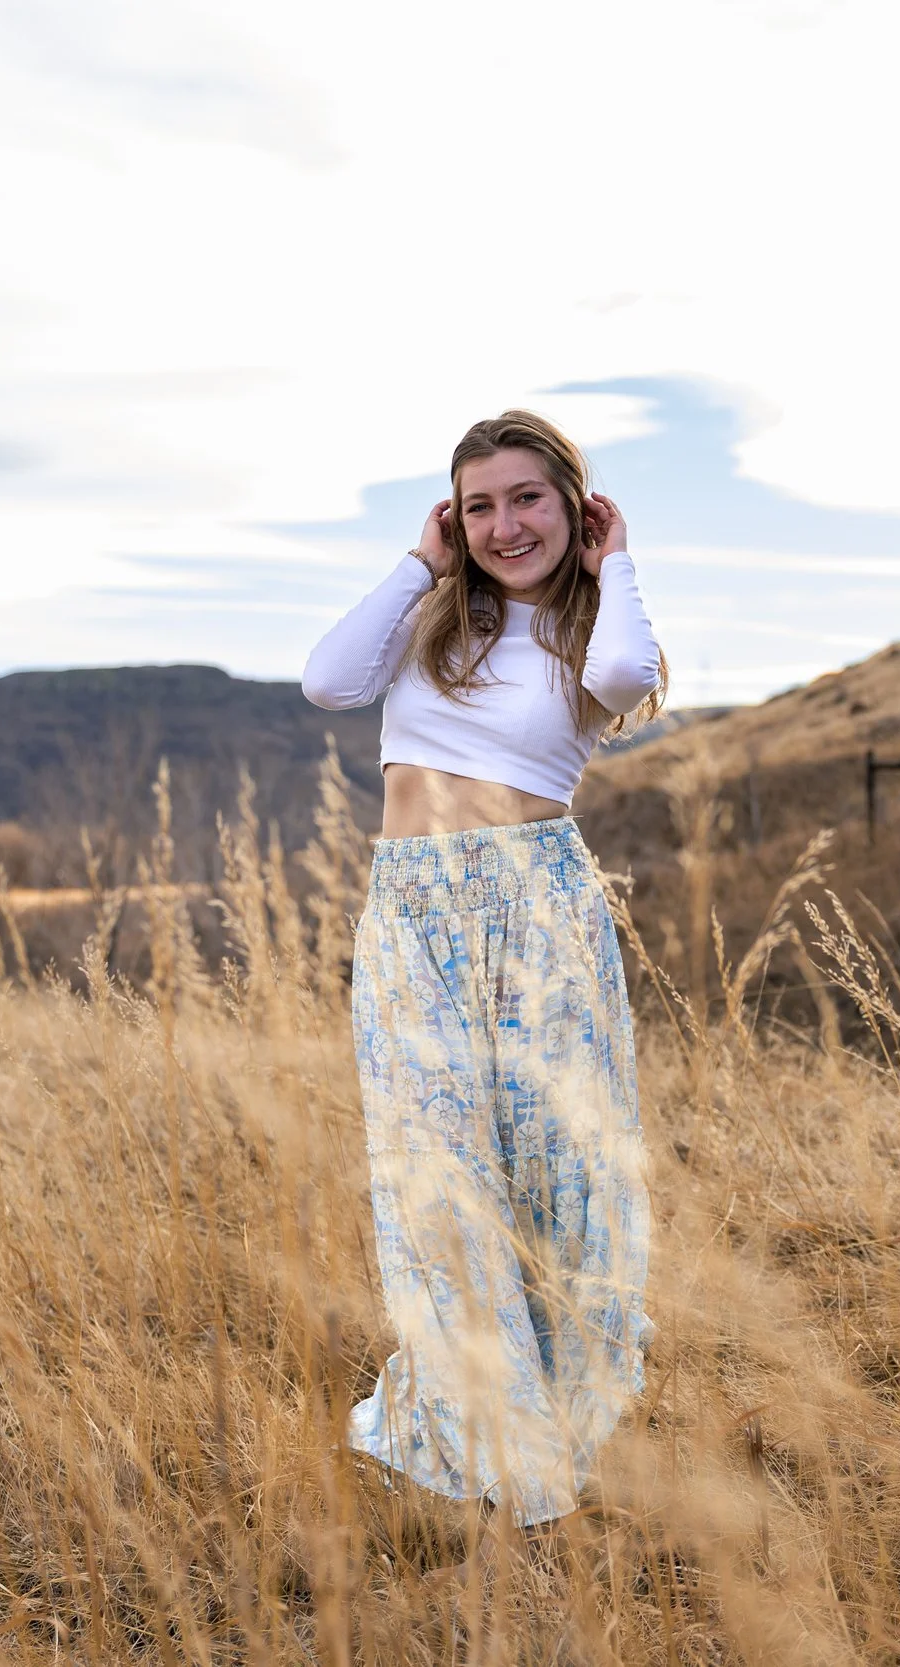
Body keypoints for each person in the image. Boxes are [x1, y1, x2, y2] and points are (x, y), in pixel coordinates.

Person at [301, 409, 665, 1528]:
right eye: (479, 506)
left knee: (555, 1174)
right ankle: (469, 1429)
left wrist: (614, 563)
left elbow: (626, 668)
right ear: (454, 520)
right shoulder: (428, 620)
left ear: (571, 503)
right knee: (437, 1172)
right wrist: (420, 560)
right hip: (412, 912)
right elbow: (327, 680)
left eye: (527, 498)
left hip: (539, 907)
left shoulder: (590, 631)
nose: (504, 525)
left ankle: (555, 1423)